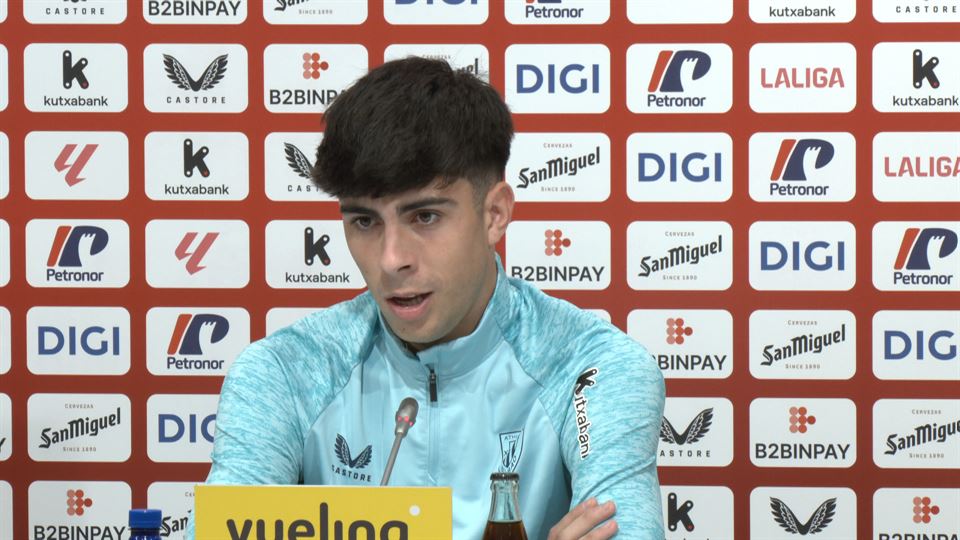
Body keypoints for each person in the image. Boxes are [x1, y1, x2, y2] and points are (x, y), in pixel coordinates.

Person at [186, 57, 664, 539]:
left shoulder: (591, 367)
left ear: (495, 214)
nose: (391, 259)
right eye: (365, 221)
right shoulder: (282, 372)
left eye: (425, 217)